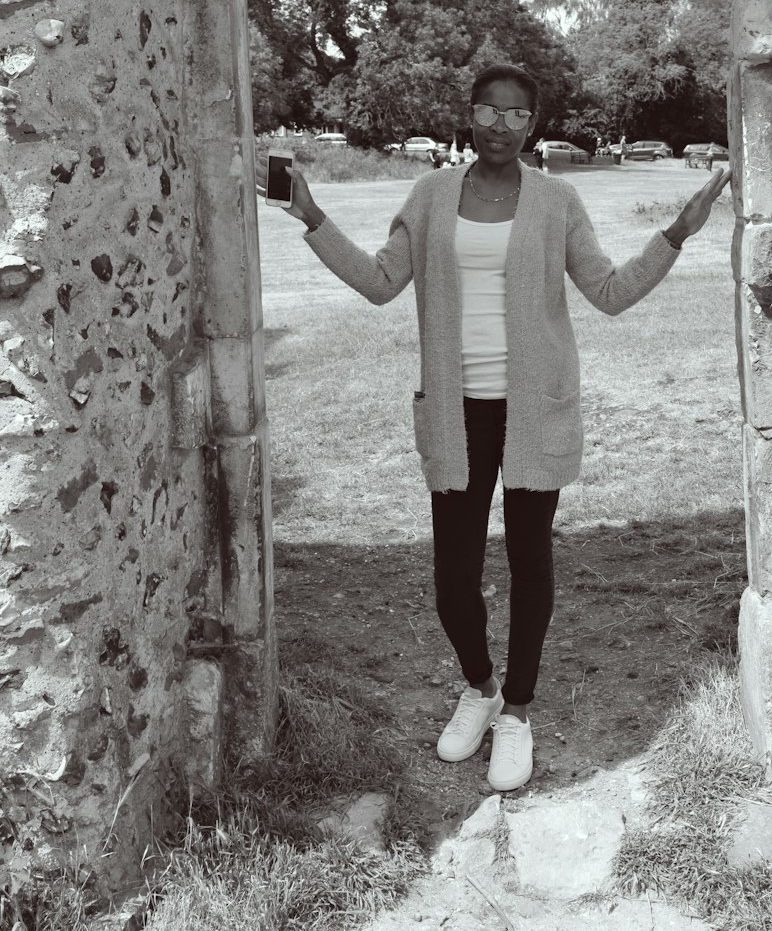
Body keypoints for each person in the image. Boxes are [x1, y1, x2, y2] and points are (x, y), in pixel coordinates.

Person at [255, 64, 731, 794]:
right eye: (489, 110)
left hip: (533, 406)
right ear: (469, 117)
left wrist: (675, 233)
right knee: (454, 575)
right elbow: (382, 282)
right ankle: (479, 687)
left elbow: (607, 292)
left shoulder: (557, 200)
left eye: (517, 114)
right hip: (456, 408)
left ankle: (519, 711)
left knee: (530, 562)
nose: (502, 125)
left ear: (533, 124)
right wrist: (313, 217)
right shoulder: (430, 194)